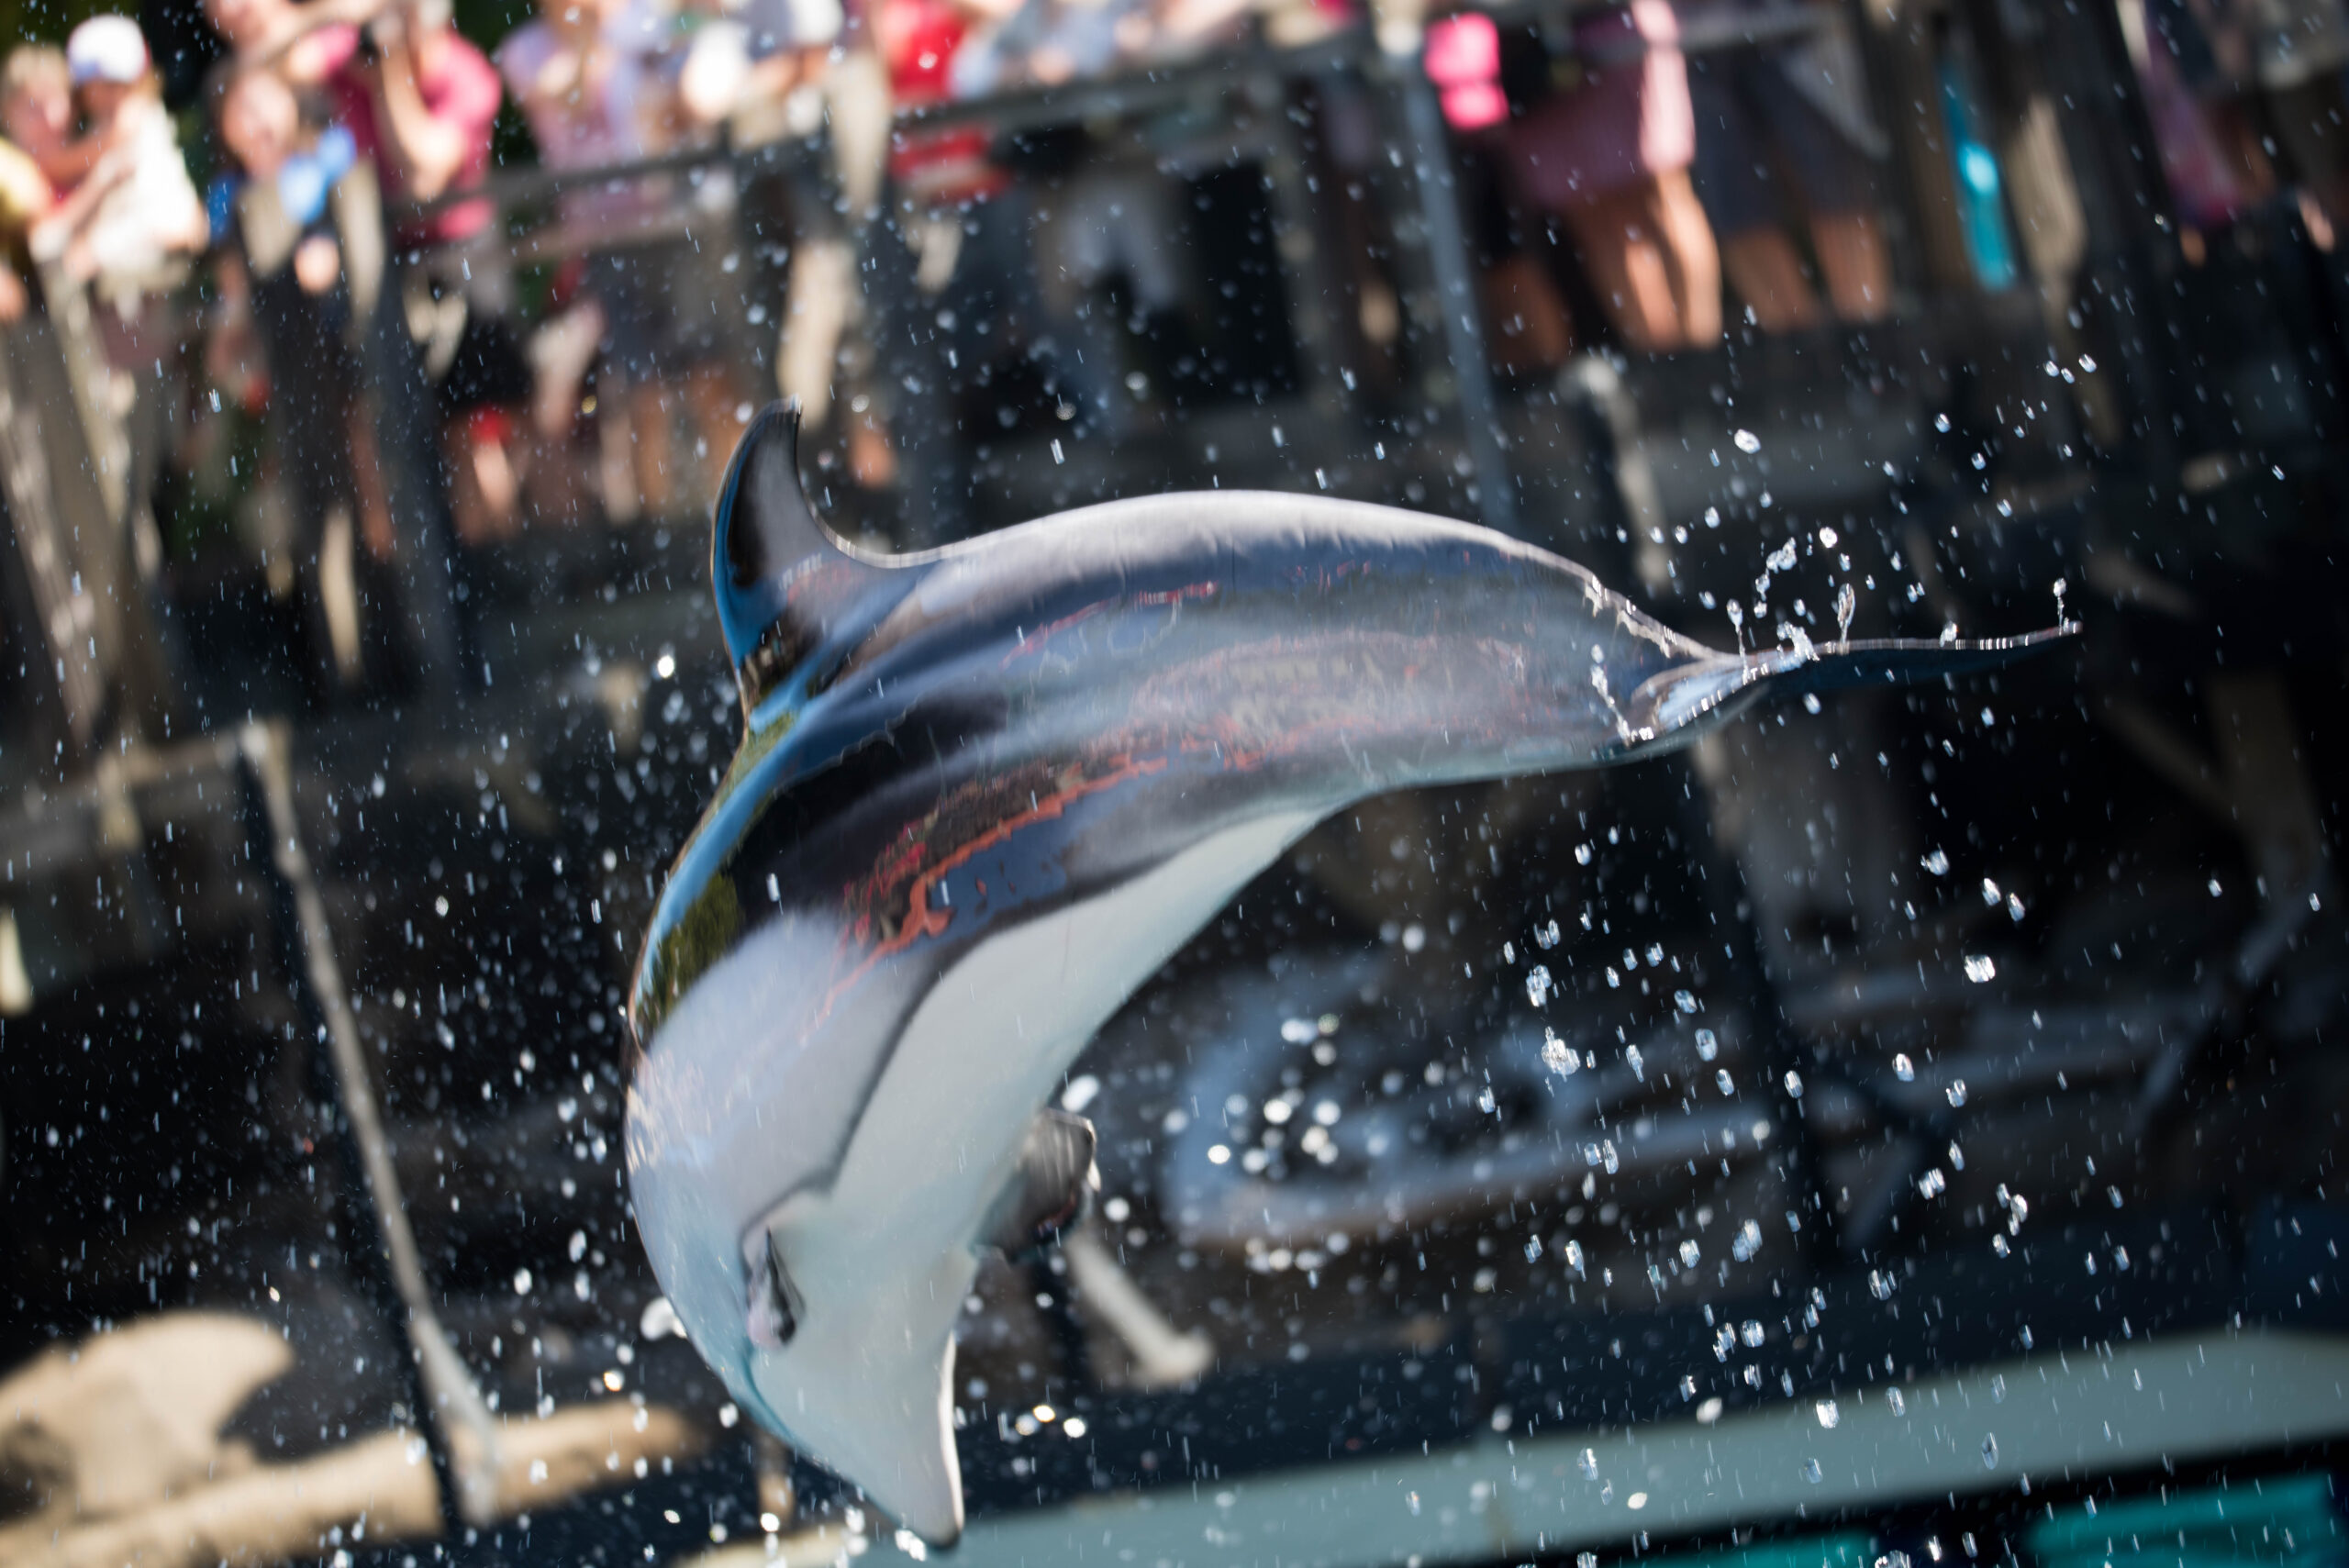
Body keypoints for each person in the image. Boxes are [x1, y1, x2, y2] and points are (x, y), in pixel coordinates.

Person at [1501, 0, 1720, 351]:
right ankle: (1657, 356)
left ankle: (1702, 351)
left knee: (1660, 199)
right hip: (1528, 55)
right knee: (1595, 221)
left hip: (1609, 30)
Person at [1683, 0, 1890, 329]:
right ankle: (1800, 351)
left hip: (1799, 25)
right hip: (1695, 37)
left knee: (1838, 194)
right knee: (1737, 213)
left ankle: (1869, 336)